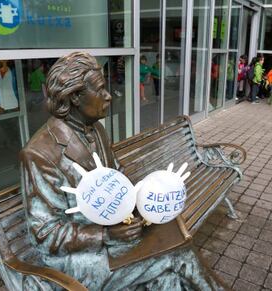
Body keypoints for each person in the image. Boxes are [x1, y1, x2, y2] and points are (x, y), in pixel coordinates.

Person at [20, 52, 224, 290]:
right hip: (77, 259)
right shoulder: (40, 153)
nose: (108, 96)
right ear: (75, 97)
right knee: (178, 255)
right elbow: (44, 234)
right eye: (100, 90)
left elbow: (117, 176)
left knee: (168, 277)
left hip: (114, 234)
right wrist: (105, 235)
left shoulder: (95, 129)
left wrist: (142, 200)